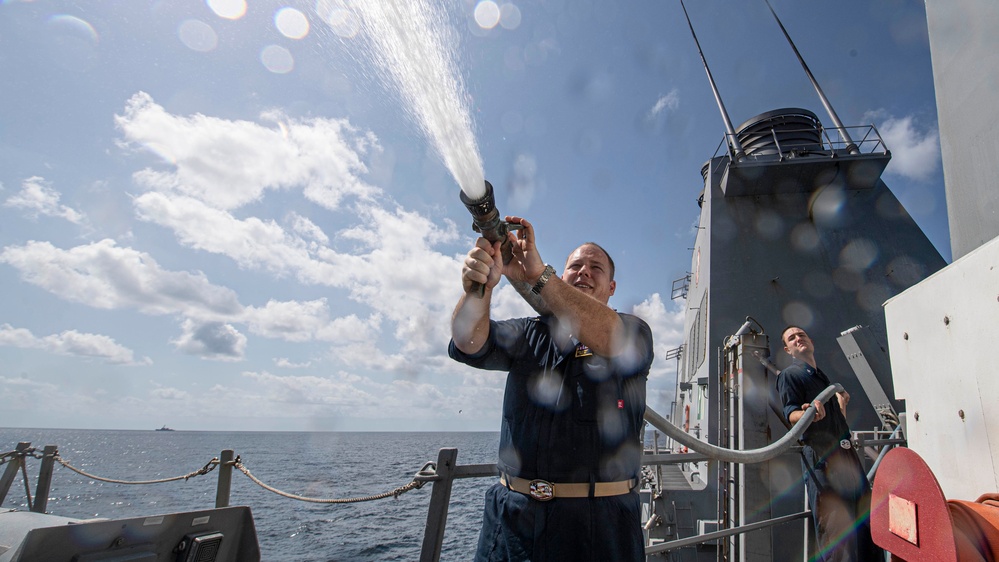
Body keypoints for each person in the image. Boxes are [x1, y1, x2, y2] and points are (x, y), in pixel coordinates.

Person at [449, 215, 653, 562]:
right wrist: (477, 287)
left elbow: (609, 337)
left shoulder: (633, 332)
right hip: (512, 525)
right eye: (575, 265)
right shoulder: (529, 332)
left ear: (612, 287)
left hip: (598, 529)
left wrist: (540, 276)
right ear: (564, 273)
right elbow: (469, 341)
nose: (584, 271)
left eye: (595, 267)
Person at [777, 325, 882, 562]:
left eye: (801, 334)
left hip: (847, 457)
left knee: (865, 526)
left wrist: (840, 406)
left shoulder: (821, 377)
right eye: (791, 338)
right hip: (822, 459)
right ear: (788, 350)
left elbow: (835, 424)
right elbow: (791, 413)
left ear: (811, 341)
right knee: (838, 534)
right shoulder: (790, 375)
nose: (798, 338)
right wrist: (806, 414)